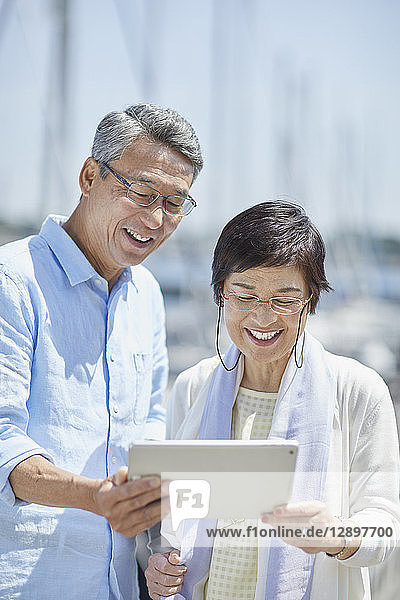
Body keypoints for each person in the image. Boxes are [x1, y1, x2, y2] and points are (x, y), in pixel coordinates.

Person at [145, 201, 400, 600]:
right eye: (244, 296)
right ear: (220, 294)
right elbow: (174, 522)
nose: (263, 319)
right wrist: (160, 565)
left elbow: (384, 526)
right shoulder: (193, 386)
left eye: (284, 299)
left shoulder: (358, 391)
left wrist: (334, 534)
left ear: (310, 301)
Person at [0, 103, 203, 600]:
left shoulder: (149, 296)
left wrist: (160, 542)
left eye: (175, 203)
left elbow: (150, 433)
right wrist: (97, 499)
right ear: (89, 176)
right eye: (141, 191)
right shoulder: (12, 280)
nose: (155, 219)